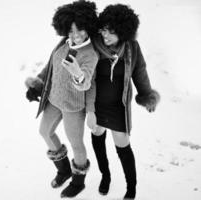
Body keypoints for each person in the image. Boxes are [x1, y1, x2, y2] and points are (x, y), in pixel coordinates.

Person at [25, 0, 99, 198]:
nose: (75, 36)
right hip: (53, 99)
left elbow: (86, 83)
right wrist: (37, 83)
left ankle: (78, 180)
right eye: (71, 31)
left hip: (73, 106)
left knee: (76, 144)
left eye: (80, 30)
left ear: (88, 27)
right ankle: (64, 170)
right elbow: (50, 66)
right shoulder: (62, 43)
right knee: (45, 132)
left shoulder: (90, 54)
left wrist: (78, 74)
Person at [86, 4, 160, 200]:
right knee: (97, 137)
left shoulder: (131, 48)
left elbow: (140, 72)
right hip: (97, 104)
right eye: (104, 30)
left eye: (112, 32)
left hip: (119, 107)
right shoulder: (94, 45)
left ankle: (131, 187)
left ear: (124, 32)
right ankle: (105, 175)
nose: (106, 36)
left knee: (123, 146)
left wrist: (147, 95)